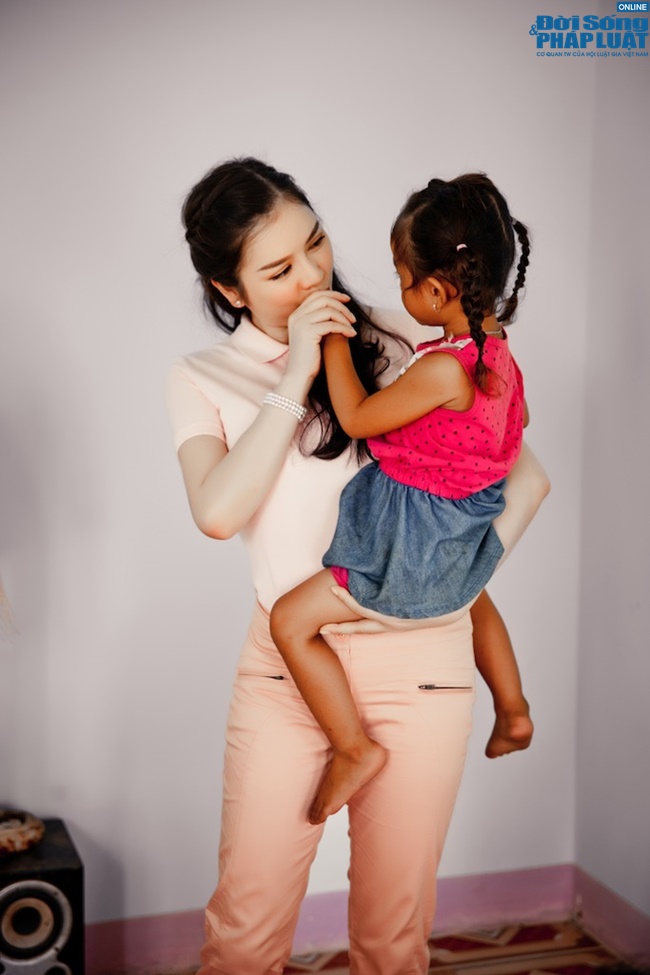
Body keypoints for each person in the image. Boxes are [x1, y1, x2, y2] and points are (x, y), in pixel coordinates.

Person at [167, 157, 550, 975]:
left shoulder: (401, 336)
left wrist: (441, 583)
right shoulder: (202, 377)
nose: (312, 275)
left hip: (421, 665)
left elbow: (515, 473)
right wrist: (296, 371)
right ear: (230, 289)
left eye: (315, 242)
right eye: (278, 270)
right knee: (244, 933)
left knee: (391, 937)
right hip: (286, 674)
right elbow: (218, 512)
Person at [270, 173, 534, 826]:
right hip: (462, 529)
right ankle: (513, 708)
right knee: (472, 596)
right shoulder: (495, 352)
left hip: (413, 543)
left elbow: (357, 418)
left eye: (402, 277)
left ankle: (352, 746)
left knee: (288, 622)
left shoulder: (443, 369)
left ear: (437, 291)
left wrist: (335, 339)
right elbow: (511, 426)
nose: (399, 288)